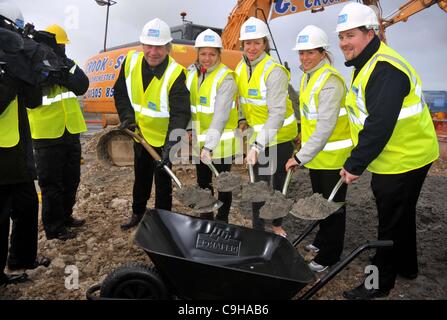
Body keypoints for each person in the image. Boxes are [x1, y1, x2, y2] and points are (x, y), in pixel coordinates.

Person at [335, 2, 439, 299]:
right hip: (401, 155)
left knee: (390, 222)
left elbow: (379, 124)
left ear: (370, 33)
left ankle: (376, 284)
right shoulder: (368, 62)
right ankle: (407, 267)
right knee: (400, 215)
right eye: (341, 36)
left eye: (350, 35)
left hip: (404, 159)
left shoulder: (384, 69)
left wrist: (355, 164)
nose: (344, 42)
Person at [285, 25, 353, 272]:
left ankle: (329, 256)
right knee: (321, 201)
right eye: (301, 53)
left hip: (334, 157)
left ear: (323, 52)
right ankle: (323, 242)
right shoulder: (307, 76)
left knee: (333, 207)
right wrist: (303, 137)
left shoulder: (330, 81)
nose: (304, 58)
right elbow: (311, 117)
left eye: (310, 52)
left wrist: (299, 157)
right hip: (318, 155)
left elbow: (325, 126)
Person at [114, 18, 191, 230]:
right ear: (142, 45)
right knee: (141, 177)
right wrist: (126, 116)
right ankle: (137, 213)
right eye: (149, 45)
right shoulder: (130, 62)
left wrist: (170, 148)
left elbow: (180, 114)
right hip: (141, 134)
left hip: (165, 138)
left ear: (168, 48)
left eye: (158, 46)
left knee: (163, 183)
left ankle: (162, 221)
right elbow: (120, 92)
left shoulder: (176, 73)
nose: (153, 52)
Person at [0, 2, 49, 285]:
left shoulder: (12, 57)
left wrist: (34, 72)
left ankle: (23, 258)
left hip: (17, 152)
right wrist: (10, 75)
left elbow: (32, 102)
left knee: (28, 207)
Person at [235, 17, 298, 237]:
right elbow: (243, 98)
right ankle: (258, 229)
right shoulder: (241, 68)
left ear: (265, 44)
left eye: (257, 42)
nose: (251, 48)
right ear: (242, 44)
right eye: (247, 43)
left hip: (279, 136)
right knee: (257, 185)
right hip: (258, 137)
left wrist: (257, 146)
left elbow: (278, 113)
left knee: (279, 183)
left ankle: (277, 225)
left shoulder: (275, 71)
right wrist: (242, 118)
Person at [27, 24, 89, 241]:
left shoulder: (68, 63)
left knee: (71, 179)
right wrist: (47, 73)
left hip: (70, 130)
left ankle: (66, 216)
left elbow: (82, 84)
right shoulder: (33, 63)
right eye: (60, 44)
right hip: (46, 133)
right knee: (51, 183)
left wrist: (62, 75)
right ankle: (54, 227)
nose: (62, 48)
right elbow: (35, 90)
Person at [186, 29, 239, 222]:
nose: (207, 58)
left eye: (212, 54)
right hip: (201, 142)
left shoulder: (226, 77)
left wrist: (209, 146)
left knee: (223, 184)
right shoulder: (194, 75)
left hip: (221, 144)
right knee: (203, 182)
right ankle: (206, 216)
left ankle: (222, 220)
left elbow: (221, 115)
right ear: (197, 54)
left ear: (219, 54)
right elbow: (192, 107)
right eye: (203, 53)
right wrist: (189, 128)